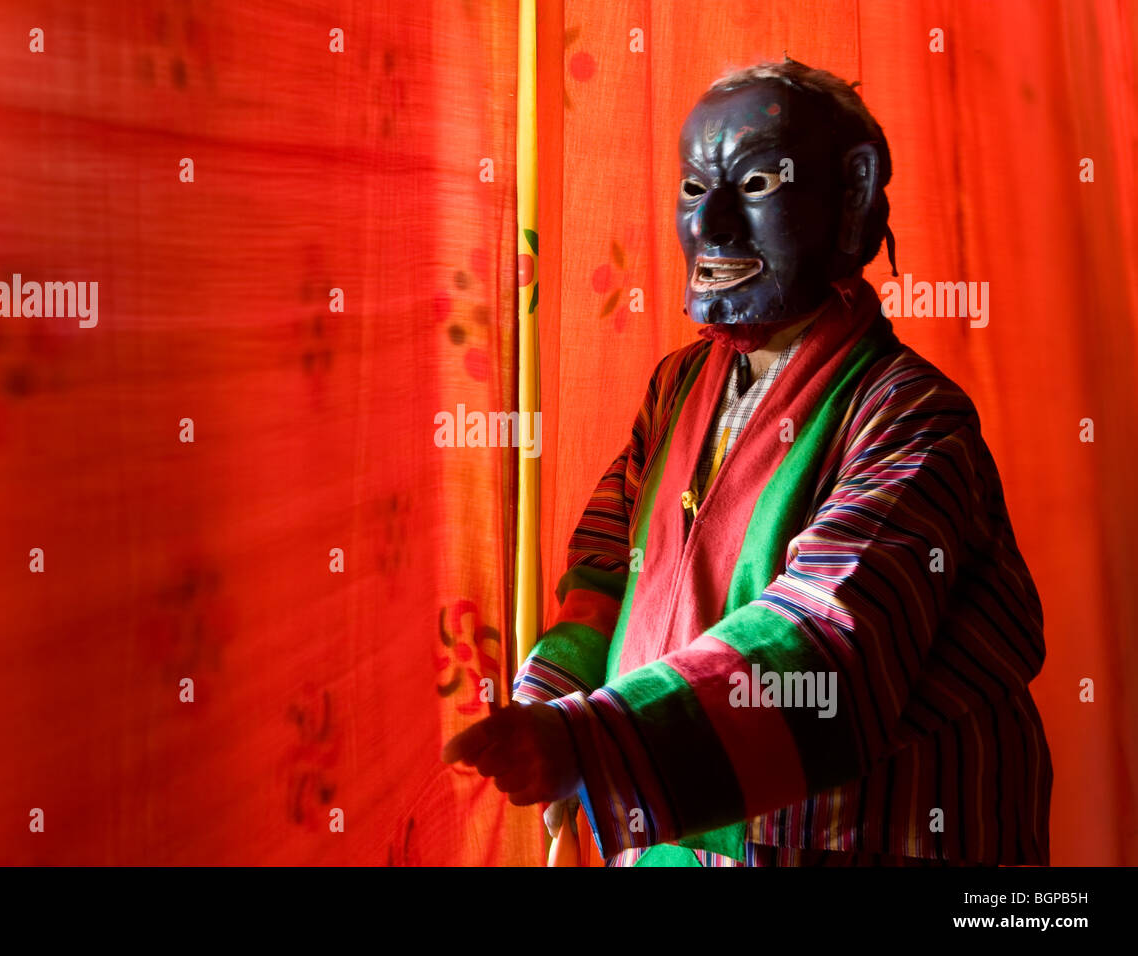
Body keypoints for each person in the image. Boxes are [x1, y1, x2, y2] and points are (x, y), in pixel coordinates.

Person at [443, 59, 1051, 867]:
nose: (715, 224)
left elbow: (829, 639)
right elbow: (605, 572)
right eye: (695, 190)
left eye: (758, 181)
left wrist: (591, 744)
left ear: (853, 200)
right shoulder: (677, 387)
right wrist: (551, 702)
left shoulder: (910, 418)